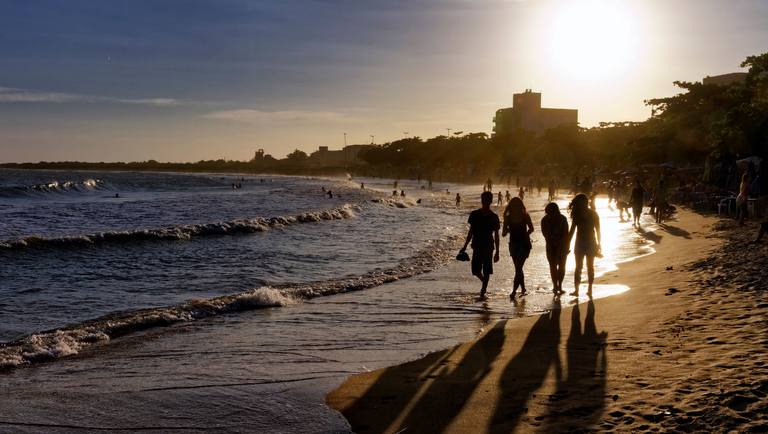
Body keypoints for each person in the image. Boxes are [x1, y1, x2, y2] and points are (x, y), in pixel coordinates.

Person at [459, 191, 500, 298]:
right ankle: (484, 283)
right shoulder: (474, 214)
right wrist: (465, 246)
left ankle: (483, 290)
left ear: (491, 201)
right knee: (475, 270)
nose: (485, 202)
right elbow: (471, 231)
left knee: (487, 269)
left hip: (488, 246)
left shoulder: (494, 217)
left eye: (487, 200)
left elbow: (496, 235)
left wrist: (497, 252)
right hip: (476, 245)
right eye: (483, 200)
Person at [567, 193, 601, 297]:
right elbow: (572, 231)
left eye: (583, 204)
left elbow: (598, 230)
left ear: (587, 203)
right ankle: (576, 290)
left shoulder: (594, 214)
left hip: (591, 242)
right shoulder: (577, 215)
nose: (581, 206)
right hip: (580, 242)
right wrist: (567, 245)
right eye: (579, 204)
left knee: (590, 266)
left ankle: (590, 289)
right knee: (578, 267)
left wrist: (599, 244)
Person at [502, 197, 534, 298]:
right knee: (518, 268)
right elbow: (503, 233)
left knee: (519, 267)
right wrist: (508, 230)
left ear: (521, 206)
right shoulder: (508, 218)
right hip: (513, 245)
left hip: (524, 244)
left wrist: (526, 234)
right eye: (514, 205)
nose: (516, 207)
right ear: (510, 206)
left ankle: (514, 291)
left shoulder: (525, 216)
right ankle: (523, 289)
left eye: (518, 205)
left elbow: (532, 228)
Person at [541, 202, 570, 295]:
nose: (549, 214)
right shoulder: (544, 220)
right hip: (550, 245)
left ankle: (560, 286)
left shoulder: (563, 219)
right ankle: (554, 286)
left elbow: (565, 235)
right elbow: (546, 237)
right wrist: (552, 250)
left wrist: (559, 249)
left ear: (557, 212)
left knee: (561, 266)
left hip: (562, 245)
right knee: (553, 267)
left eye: (552, 212)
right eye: (547, 212)